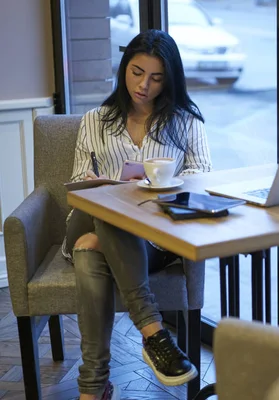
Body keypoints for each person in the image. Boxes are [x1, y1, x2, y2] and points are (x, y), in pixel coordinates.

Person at [62, 29, 212, 400]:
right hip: (87, 217)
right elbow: (75, 184)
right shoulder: (95, 121)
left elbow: (202, 185)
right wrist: (95, 184)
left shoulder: (187, 122)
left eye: (156, 77)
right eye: (136, 72)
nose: (144, 85)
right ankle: (153, 331)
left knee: (91, 249)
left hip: (155, 238)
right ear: (123, 69)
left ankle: (92, 388)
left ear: (170, 79)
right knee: (107, 209)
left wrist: (161, 186)